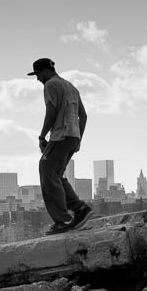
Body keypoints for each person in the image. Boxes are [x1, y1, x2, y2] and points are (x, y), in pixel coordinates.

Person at [28, 57, 94, 235]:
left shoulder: (51, 85)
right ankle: (80, 208)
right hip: (72, 136)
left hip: (61, 135)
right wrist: (78, 138)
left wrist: (42, 135)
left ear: (45, 71)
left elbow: (51, 112)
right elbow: (84, 116)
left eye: (38, 74)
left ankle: (63, 220)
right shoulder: (71, 87)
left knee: (46, 170)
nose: (38, 79)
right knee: (55, 174)